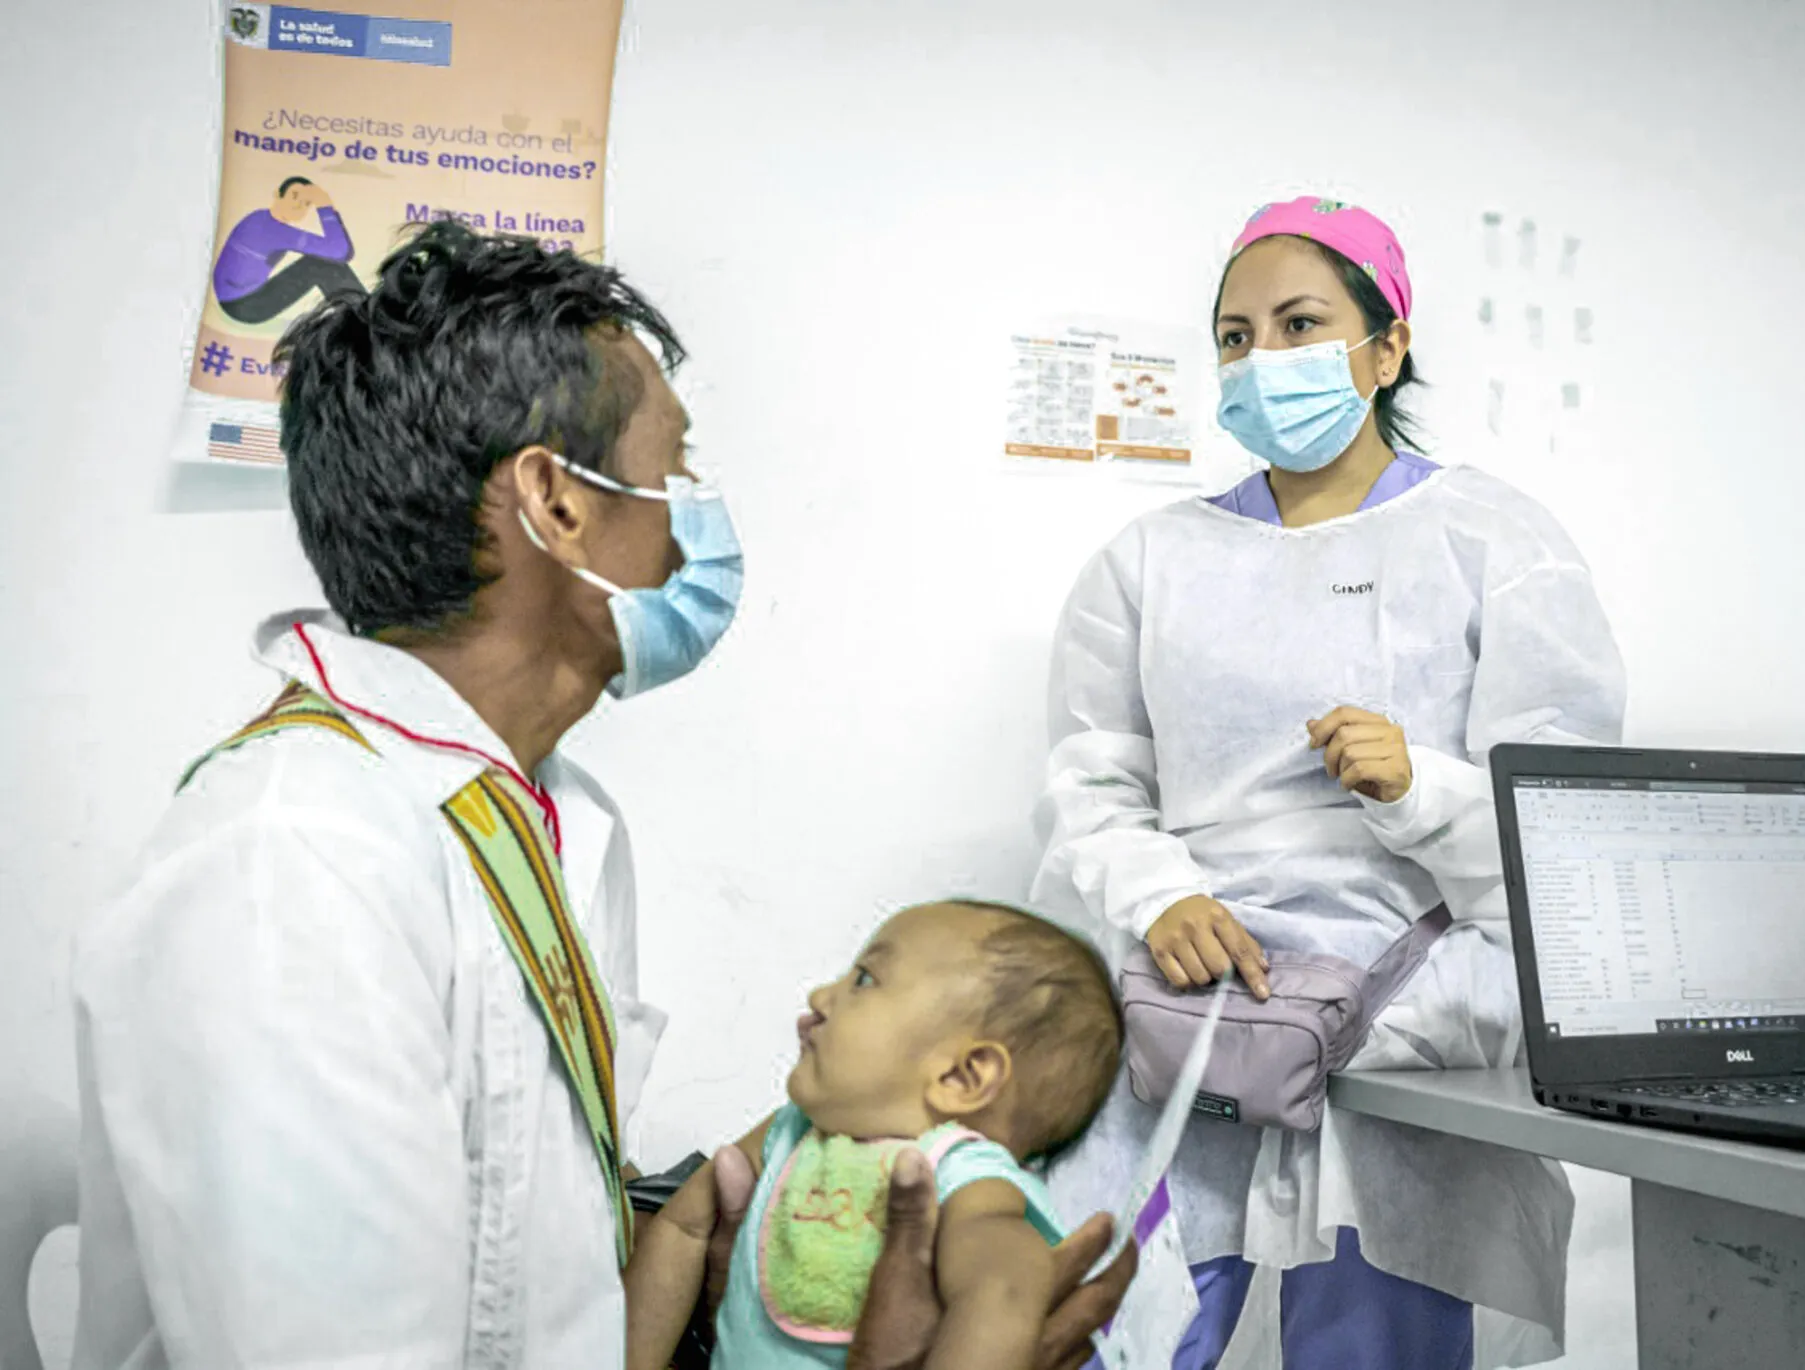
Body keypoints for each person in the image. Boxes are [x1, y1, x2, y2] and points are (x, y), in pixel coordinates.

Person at [71, 222, 1131, 1369]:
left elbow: (509, 1234)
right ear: (557, 503)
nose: (696, 520)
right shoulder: (294, 865)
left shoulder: (538, 811)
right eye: (674, 470)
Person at [1032, 196, 1629, 1368]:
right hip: (1189, 1001)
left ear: (1387, 344)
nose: (1264, 360)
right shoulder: (1147, 561)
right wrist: (1161, 897)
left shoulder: (1496, 541)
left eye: (1300, 324)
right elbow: (1089, 781)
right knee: (1129, 1323)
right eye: (1237, 337)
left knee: (1372, 1327)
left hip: (1400, 1009)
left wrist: (1421, 790)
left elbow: (1567, 822)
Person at [626, 901, 1124, 1370]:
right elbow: (682, 1228)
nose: (820, 996)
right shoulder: (794, 1130)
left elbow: (1002, 1288)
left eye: (864, 979)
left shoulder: (959, 1172)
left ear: (962, 1077)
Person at [212, 176, 364, 325]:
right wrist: (324, 205)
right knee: (320, 265)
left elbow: (341, 251)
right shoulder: (273, 229)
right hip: (244, 305)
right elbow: (340, 251)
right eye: (295, 196)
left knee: (320, 261)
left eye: (307, 203)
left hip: (235, 299)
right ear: (278, 194)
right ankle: (368, 319)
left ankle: (364, 317)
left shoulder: (260, 217)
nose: (299, 205)